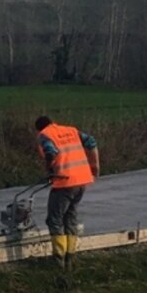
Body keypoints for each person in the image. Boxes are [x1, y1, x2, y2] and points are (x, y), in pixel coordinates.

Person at [35, 116, 99, 271]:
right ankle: (70, 257)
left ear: (39, 128)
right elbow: (91, 142)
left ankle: (59, 260)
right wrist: (95, 165)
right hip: (82, 180)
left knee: (54, 220)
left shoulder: (45, 135)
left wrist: (49, 170)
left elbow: (51, 152)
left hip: (64, 182)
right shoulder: (71, 130)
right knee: (70, 217)